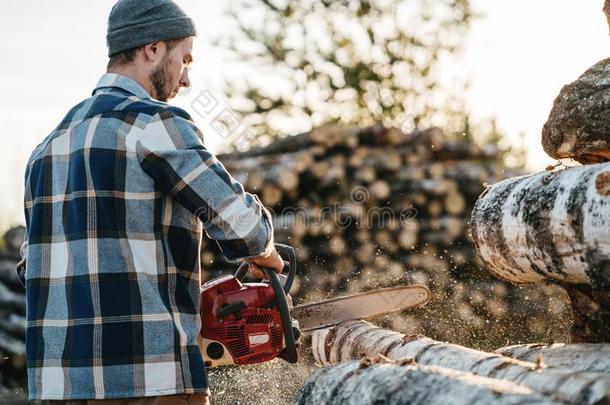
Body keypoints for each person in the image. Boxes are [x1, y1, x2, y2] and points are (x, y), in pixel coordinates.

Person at [17, 0, 284, 403]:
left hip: (58, 385)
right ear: (153, 49)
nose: (186, 78)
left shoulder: (46, 149)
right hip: (149, 379)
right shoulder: (154, 124)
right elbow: (239, 224)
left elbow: (31, 266)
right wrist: (266, 254)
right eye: (185, 59)